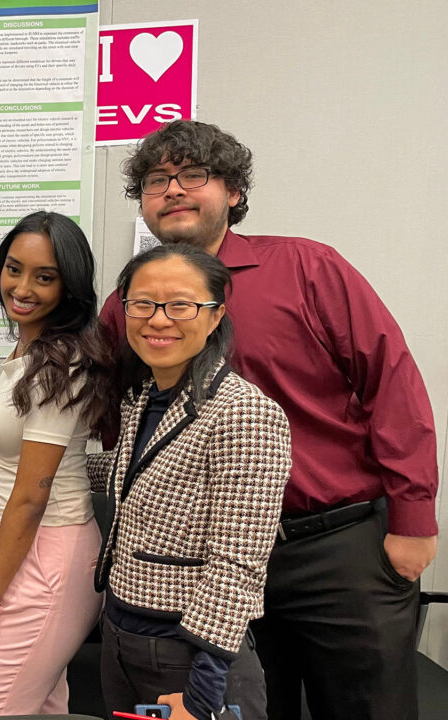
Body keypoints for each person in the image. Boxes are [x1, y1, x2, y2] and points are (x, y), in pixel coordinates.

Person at [101, 120, 439, 720]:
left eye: (193, 175)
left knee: (369, 706)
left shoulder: (308, 269)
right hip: (207, 571)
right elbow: (114, 411)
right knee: (248, 708)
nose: (173, 189)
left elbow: (392, 382)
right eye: (157, 180)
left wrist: (413, 517)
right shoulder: (130, 304)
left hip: (335, 549)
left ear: (233, 192)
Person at [91, 243, 291, 720]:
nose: (158, 320)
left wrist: (203, 695)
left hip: (188, 654)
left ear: (216, 314)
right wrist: (38, 467)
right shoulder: (145, 396)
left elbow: (237, 563)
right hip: (121, 636)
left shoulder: (245, 412)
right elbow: (129, 469)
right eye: (142, 303)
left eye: (180, 304)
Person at [0, 211, 112, 714]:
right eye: (14, 268)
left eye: (44, 277)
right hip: (21, 550)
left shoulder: (62, 363)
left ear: (69, 286)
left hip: (49, 559)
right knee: (44, 708)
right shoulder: (30, 349)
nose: (22, 287)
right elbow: (9, 468)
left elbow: (31, 495)